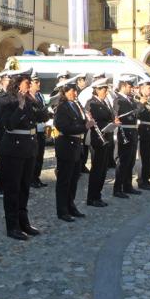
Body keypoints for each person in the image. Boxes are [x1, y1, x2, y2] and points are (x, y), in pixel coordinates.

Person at [0, 68, 44, 239]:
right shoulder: (5, 101)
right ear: (17, 84)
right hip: (13, 149)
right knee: (13, 189)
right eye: (27, 83)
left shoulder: (29, 99)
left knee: (24, 188)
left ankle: (24, 222)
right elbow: (9, 124)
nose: (30, 85)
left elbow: (42, 117)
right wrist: (21, 105)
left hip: (29, 149)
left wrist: (33, 101)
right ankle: (12, 226)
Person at [54, 77, 94, 220]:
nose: (75, 94)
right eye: (72, 91)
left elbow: (81, 121)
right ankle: (62, 210)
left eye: (75, 91)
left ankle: (71, 205)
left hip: (76, 146)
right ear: (64, 92)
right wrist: (84, 127)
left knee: (74, 178)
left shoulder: (76, 105)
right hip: (66, 145)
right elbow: (62, 126)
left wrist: (88, 120)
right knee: (64, 180)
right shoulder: (62, 107)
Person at [84, 77, 118, 206]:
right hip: (97, 139)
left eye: (106, 89)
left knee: (103, 169)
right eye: (104, 89)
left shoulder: (105, 102)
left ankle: (98, 196)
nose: (106, 91)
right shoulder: (91, 103)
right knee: (97, 169)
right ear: (97, 90)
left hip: (106, 138)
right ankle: (92, 197)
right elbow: (91, 121)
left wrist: (113, 123)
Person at [112, 75, 142, 197]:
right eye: (129, 86)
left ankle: (128, 186)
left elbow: (137, 114)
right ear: (123, 86)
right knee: (123, 161)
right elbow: (124, 115)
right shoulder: (118, 100)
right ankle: (117, 188)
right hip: (125, 131)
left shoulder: (130, 99)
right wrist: (140, 105)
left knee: (130, 161)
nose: (131, 88)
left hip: (133, 132)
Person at [136, 77, 150, 190]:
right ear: (142, 88)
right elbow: (136, 113)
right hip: (144, 130)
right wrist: (141, 104)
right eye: (149, 88)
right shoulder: (137, 99)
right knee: (144, 157)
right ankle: (141, 180)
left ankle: (147, 179)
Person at [29, 71, 50, 188]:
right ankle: (32, 179)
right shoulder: (28, 96)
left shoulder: (40, 95)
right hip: (34, 129)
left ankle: (36, 177)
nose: (39, 84)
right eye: (36, 82)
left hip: (41, 128)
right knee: (34, 156)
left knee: (40, 156)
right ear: (30, 83)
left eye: (39, 81)